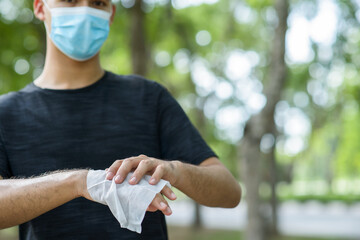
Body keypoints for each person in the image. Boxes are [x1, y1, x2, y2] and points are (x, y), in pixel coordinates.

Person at [0, 0, 241, 239]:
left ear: (111, 14)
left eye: (97, 2)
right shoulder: (6, 112)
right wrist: (79, 183)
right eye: (70, 0)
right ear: (40, 7)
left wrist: (175, 171)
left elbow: (229, 192)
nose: (84, 11)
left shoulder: (149, 98)